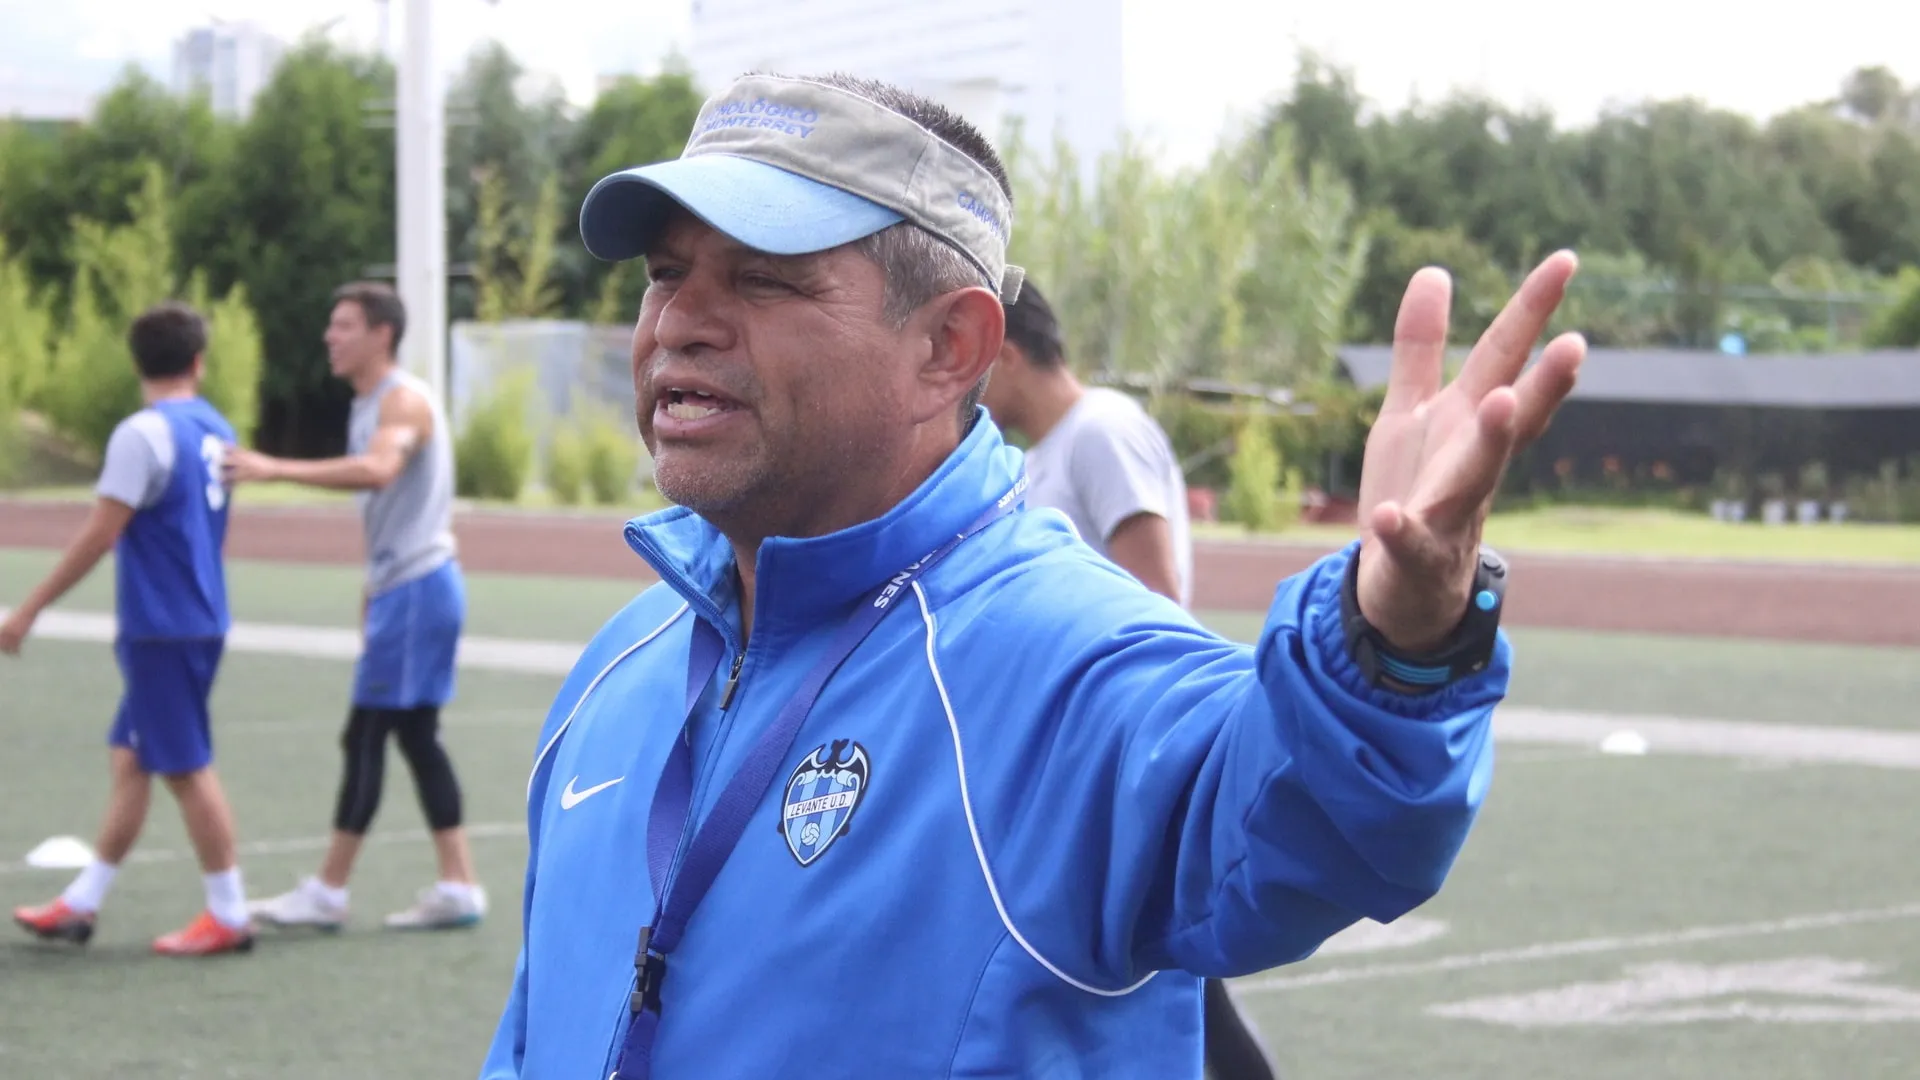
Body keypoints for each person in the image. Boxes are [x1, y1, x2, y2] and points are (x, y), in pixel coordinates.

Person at [478, 71, 1585, 1080]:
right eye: (666, 274)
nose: (679, 322)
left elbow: (1301, 819)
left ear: (949, 349)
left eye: (762, 280)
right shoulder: (618, 669)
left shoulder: (1065, 668)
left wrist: (1393, 642)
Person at [982, 278, 1278, 1080]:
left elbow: (1157, 596)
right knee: (1168, 986)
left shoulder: (1100, 432)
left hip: (1115, 749)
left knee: (1183, 986)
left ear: (1007, 353)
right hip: (1069, 752)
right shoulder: (1041, 453)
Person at [224, 281, 487, 932]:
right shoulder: (369, 404)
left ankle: (329, 890)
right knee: (416, 736)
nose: (329, 336)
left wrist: (273, 467)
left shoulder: (401, 401)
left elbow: (377, 471)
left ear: (381, 334)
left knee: (366, 734)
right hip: (406, 591)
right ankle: (458, 884)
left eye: (343, 325)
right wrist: (372, 591)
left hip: (419, 590)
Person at [3, 301, 255, 957]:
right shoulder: (215, 427)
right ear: (198, 361)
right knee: (132, 758)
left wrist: (27, 610)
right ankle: (82, 902)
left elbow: (100, 534)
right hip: (195, 614)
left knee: (186, 767)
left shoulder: (141, 435)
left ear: (136, 361)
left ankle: (229, 912)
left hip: (162, 624)